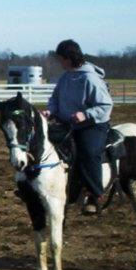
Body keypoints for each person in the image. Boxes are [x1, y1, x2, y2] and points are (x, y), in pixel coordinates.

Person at [44, 39, 113, 214]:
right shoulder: (65, 77)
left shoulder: (90, 78)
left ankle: (94, 194)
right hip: (68, 124)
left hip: (92, 126)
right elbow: (55, 99)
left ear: (69, 58)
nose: (59, 62)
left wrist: (86, 114)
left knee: (88, 152)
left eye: (61, 58)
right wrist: (50, 111)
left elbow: (105, 106)